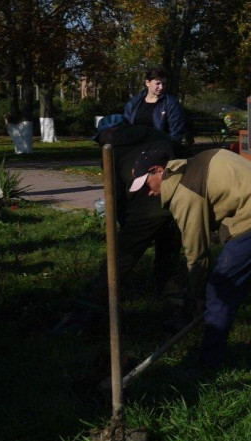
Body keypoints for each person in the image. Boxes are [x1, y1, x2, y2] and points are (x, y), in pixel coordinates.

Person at [129, 146, 251, 369]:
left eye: (146, 185)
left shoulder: (184, 193)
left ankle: (208, 364)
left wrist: (199, 294)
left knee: (220, 289)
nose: (148, 193)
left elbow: (196, 251)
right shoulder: (195, 162)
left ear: (159, 170)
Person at [53, 115, 187, 333]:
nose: (99, 145)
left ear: (109, 132)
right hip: (177, 203)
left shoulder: (111, 149)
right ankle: (180, 309)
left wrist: (124, 224)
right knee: (169, 258)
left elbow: (114, 194)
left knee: (119, 261)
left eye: (99, 139)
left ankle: (85, 315)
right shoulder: (158, 135)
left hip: (145, 209)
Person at [124, 66, 186, 143]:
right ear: (147, 83)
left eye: (164, 83)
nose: (161, 87)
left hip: (160, 146)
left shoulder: (171, 103)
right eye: (158, 83)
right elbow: (126, 126)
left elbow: (176, 132)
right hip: (135, 145)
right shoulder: (134, 102)